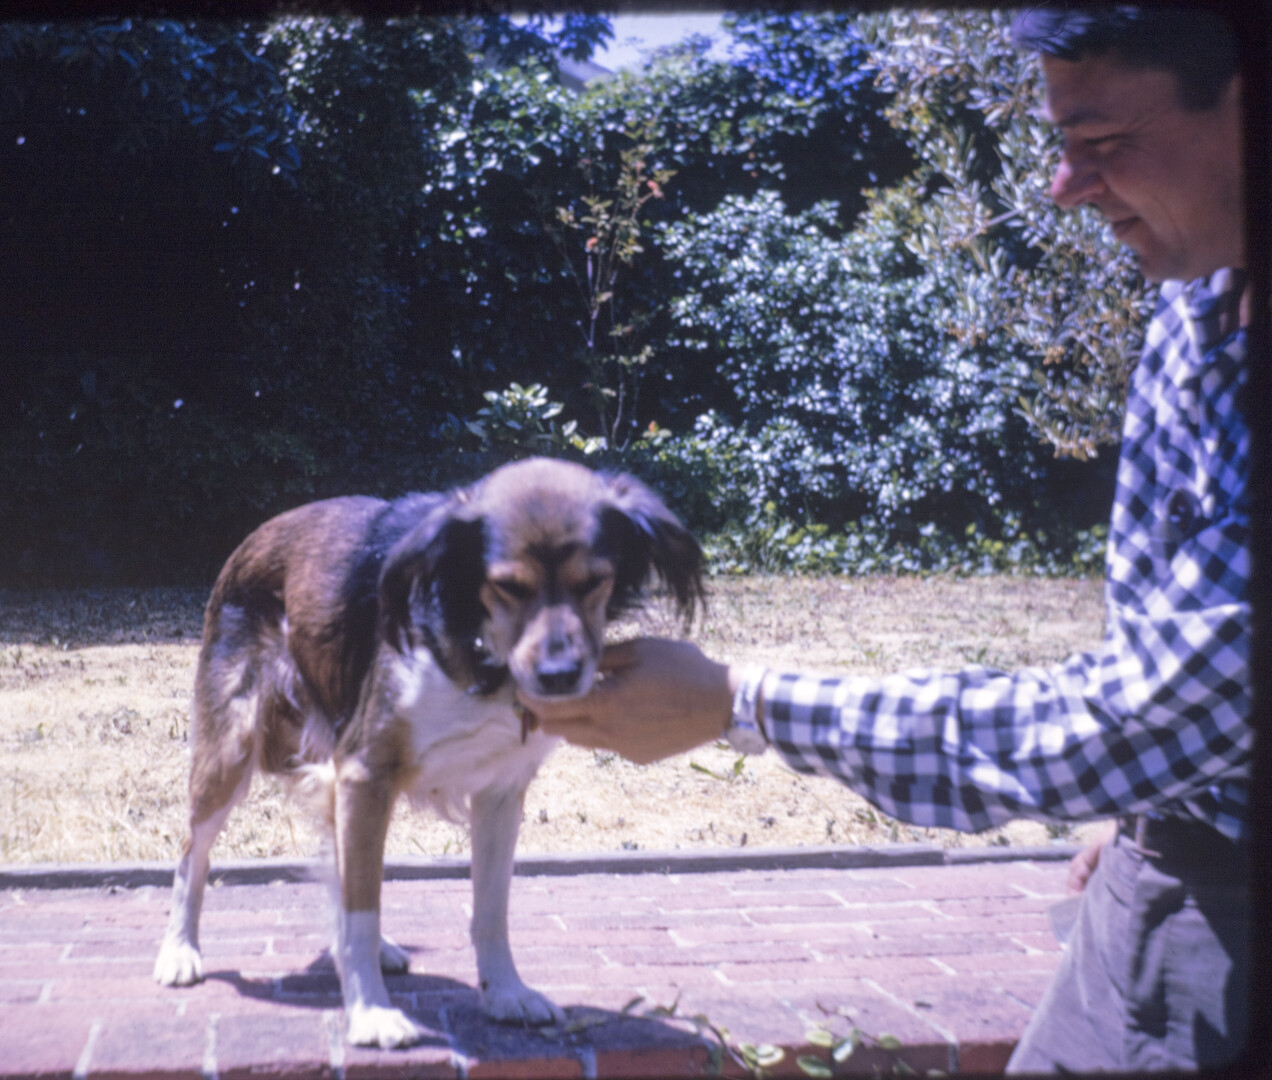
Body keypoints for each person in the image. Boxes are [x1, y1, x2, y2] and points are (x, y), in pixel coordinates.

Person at [517, 7, 1253, 1073]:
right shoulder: (1196, 303)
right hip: (1150, 876)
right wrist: (1143, 804)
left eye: (1103, 145)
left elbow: (1128, 718)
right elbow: (1163, 689)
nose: (1064, 188)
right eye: (1061, 148)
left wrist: (738, 701)